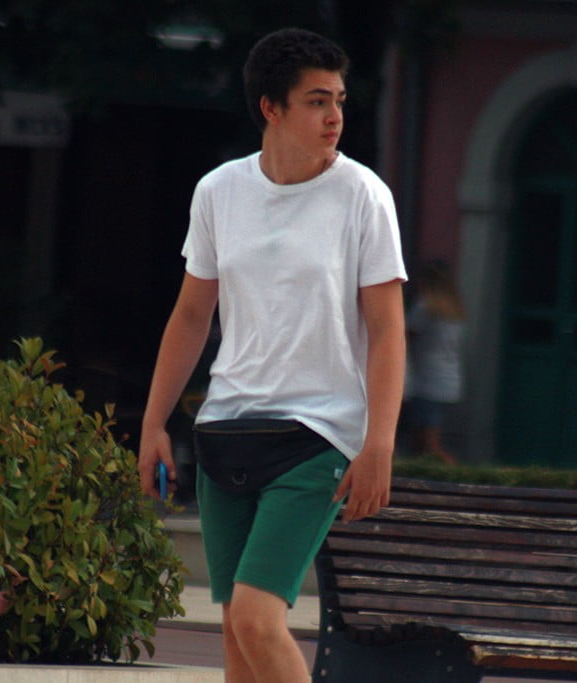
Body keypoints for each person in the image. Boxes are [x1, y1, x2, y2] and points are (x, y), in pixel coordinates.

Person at [137, 27, 406, 683]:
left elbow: (387, 330)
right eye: (317, 101)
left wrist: (379, 442)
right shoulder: (218, 192)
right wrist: (153, 423)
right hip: (226, 429)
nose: (335, 115)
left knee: (258, 619)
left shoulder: (363, 195)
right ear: (271, 108)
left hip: (317, 436)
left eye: (339, 99)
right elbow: (192, 314)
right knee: (237, 636)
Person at [405, 260, 464, 464]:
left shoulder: (425, 307)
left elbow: (405, 337)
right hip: (449, 380)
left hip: (427, 380)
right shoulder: (454, 310)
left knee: (429, 444)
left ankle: (455, 472)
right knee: (422, 442)